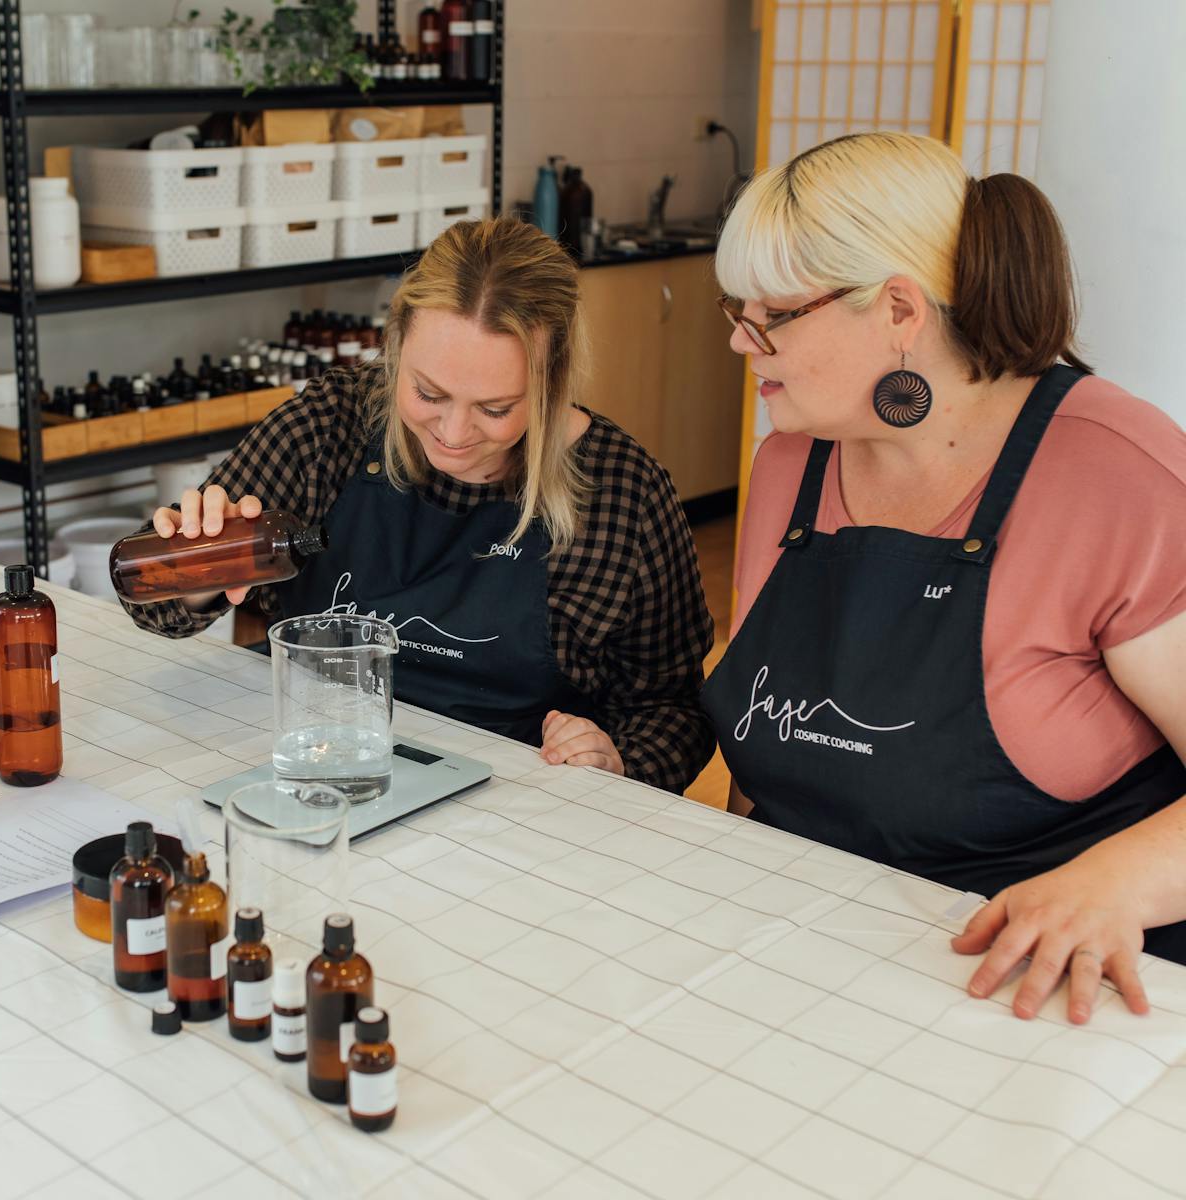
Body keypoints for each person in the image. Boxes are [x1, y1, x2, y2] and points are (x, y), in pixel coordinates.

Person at [703, 131, 1186, 1020]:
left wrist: (1110, 884)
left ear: (898, 309)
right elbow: (763, 752)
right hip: (808, 959)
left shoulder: (1118, 475)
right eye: (738, 307)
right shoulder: (790, 466)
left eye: (774, 313)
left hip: (1032, 985)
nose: (741, 340)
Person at [122, 217, 715, 792]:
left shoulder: (622, 494)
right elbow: (150, 602)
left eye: (495, 408)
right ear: (395, 343)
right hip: (319, 761)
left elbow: (674, 711)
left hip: (507, 798)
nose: (453, 434)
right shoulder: (328, 428)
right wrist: (196, 574)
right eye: (428, 393)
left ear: (551, 382)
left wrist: (617, 764)